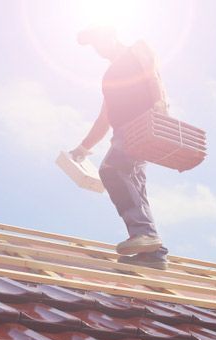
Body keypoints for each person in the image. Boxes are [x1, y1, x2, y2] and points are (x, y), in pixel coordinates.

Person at [71, 25, 169, 265]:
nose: (97, 48)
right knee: (135, 187)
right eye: (93, 45)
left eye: (99, 41)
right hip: (123, 133)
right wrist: (83, 149)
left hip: (142, 125)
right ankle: (152, 254)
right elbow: (104, 118)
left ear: (112, 34)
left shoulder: (137, 48)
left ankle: (144, 233)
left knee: (112, 170)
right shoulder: (110, 77)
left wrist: (159, 106)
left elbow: (152, 74)